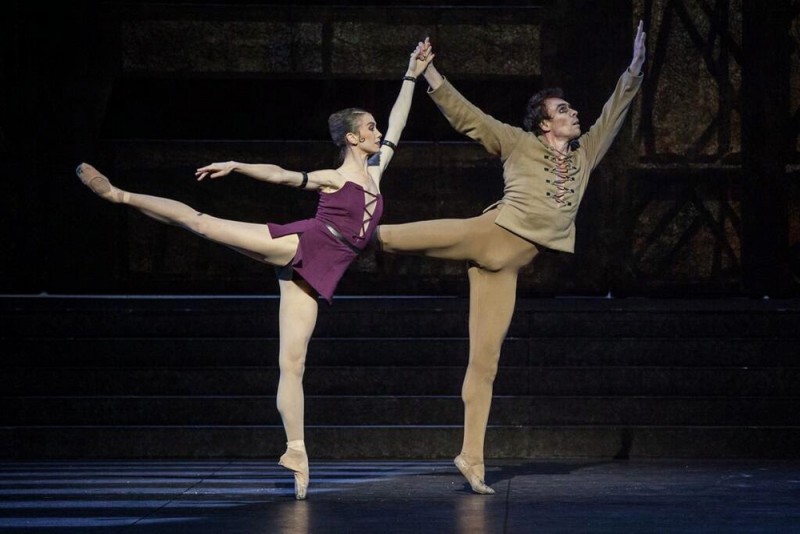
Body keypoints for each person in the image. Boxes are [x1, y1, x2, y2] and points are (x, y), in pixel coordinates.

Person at [75, 38, 434, 500]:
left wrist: (411, 73)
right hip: (300, 245)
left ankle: (296, 451)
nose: (376, 130)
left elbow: (400, 121)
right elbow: (282, 175)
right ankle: (118, 195)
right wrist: (239, 165)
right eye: (369, 127)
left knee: (292, 363)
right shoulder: (334, 178)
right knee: (203, 224)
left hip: (316, 275)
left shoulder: (377, 169)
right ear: (351, 137)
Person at [377, 22, 646, 494]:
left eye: (570, 108)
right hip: (489, 235)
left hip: (508, 267)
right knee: (392, 238)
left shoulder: (584, 156)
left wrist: (634, 71)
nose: (573, 113)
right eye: (563, 110)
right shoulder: (518, 142)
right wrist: (430, 74)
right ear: (545, 123)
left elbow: (613, 114)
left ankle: (471, 458)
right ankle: (327, 235)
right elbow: (470, 118)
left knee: (486, 363)